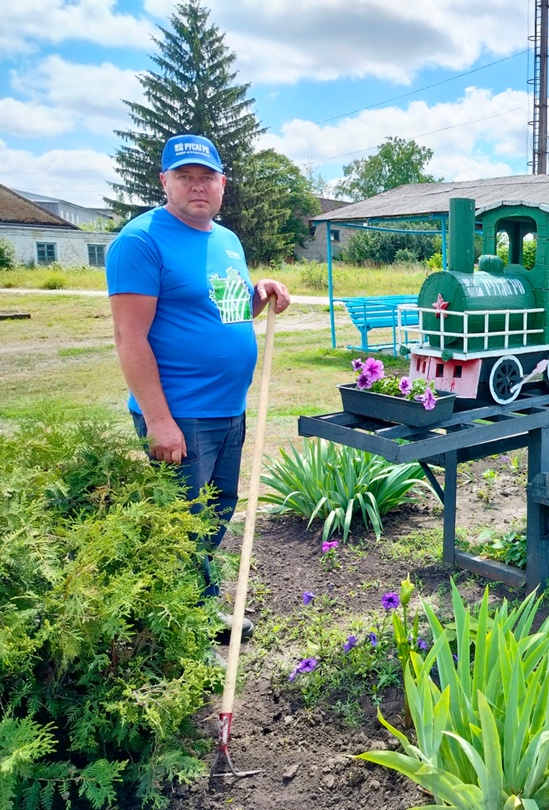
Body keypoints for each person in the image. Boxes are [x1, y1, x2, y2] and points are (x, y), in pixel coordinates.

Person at [106, 133, 291, 638]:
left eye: (206, 176)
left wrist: (258, 294)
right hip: (179, 415)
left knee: (213, 517)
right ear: (164, 181)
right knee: (182, 528)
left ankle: (198, 614)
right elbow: (129, 338)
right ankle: (184, 632)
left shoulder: (226, 240)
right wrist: (160, 422)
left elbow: (225, 310)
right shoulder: (140, 241)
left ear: (222, 184)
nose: (197, 186)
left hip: (228, 410)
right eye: (184, 176)